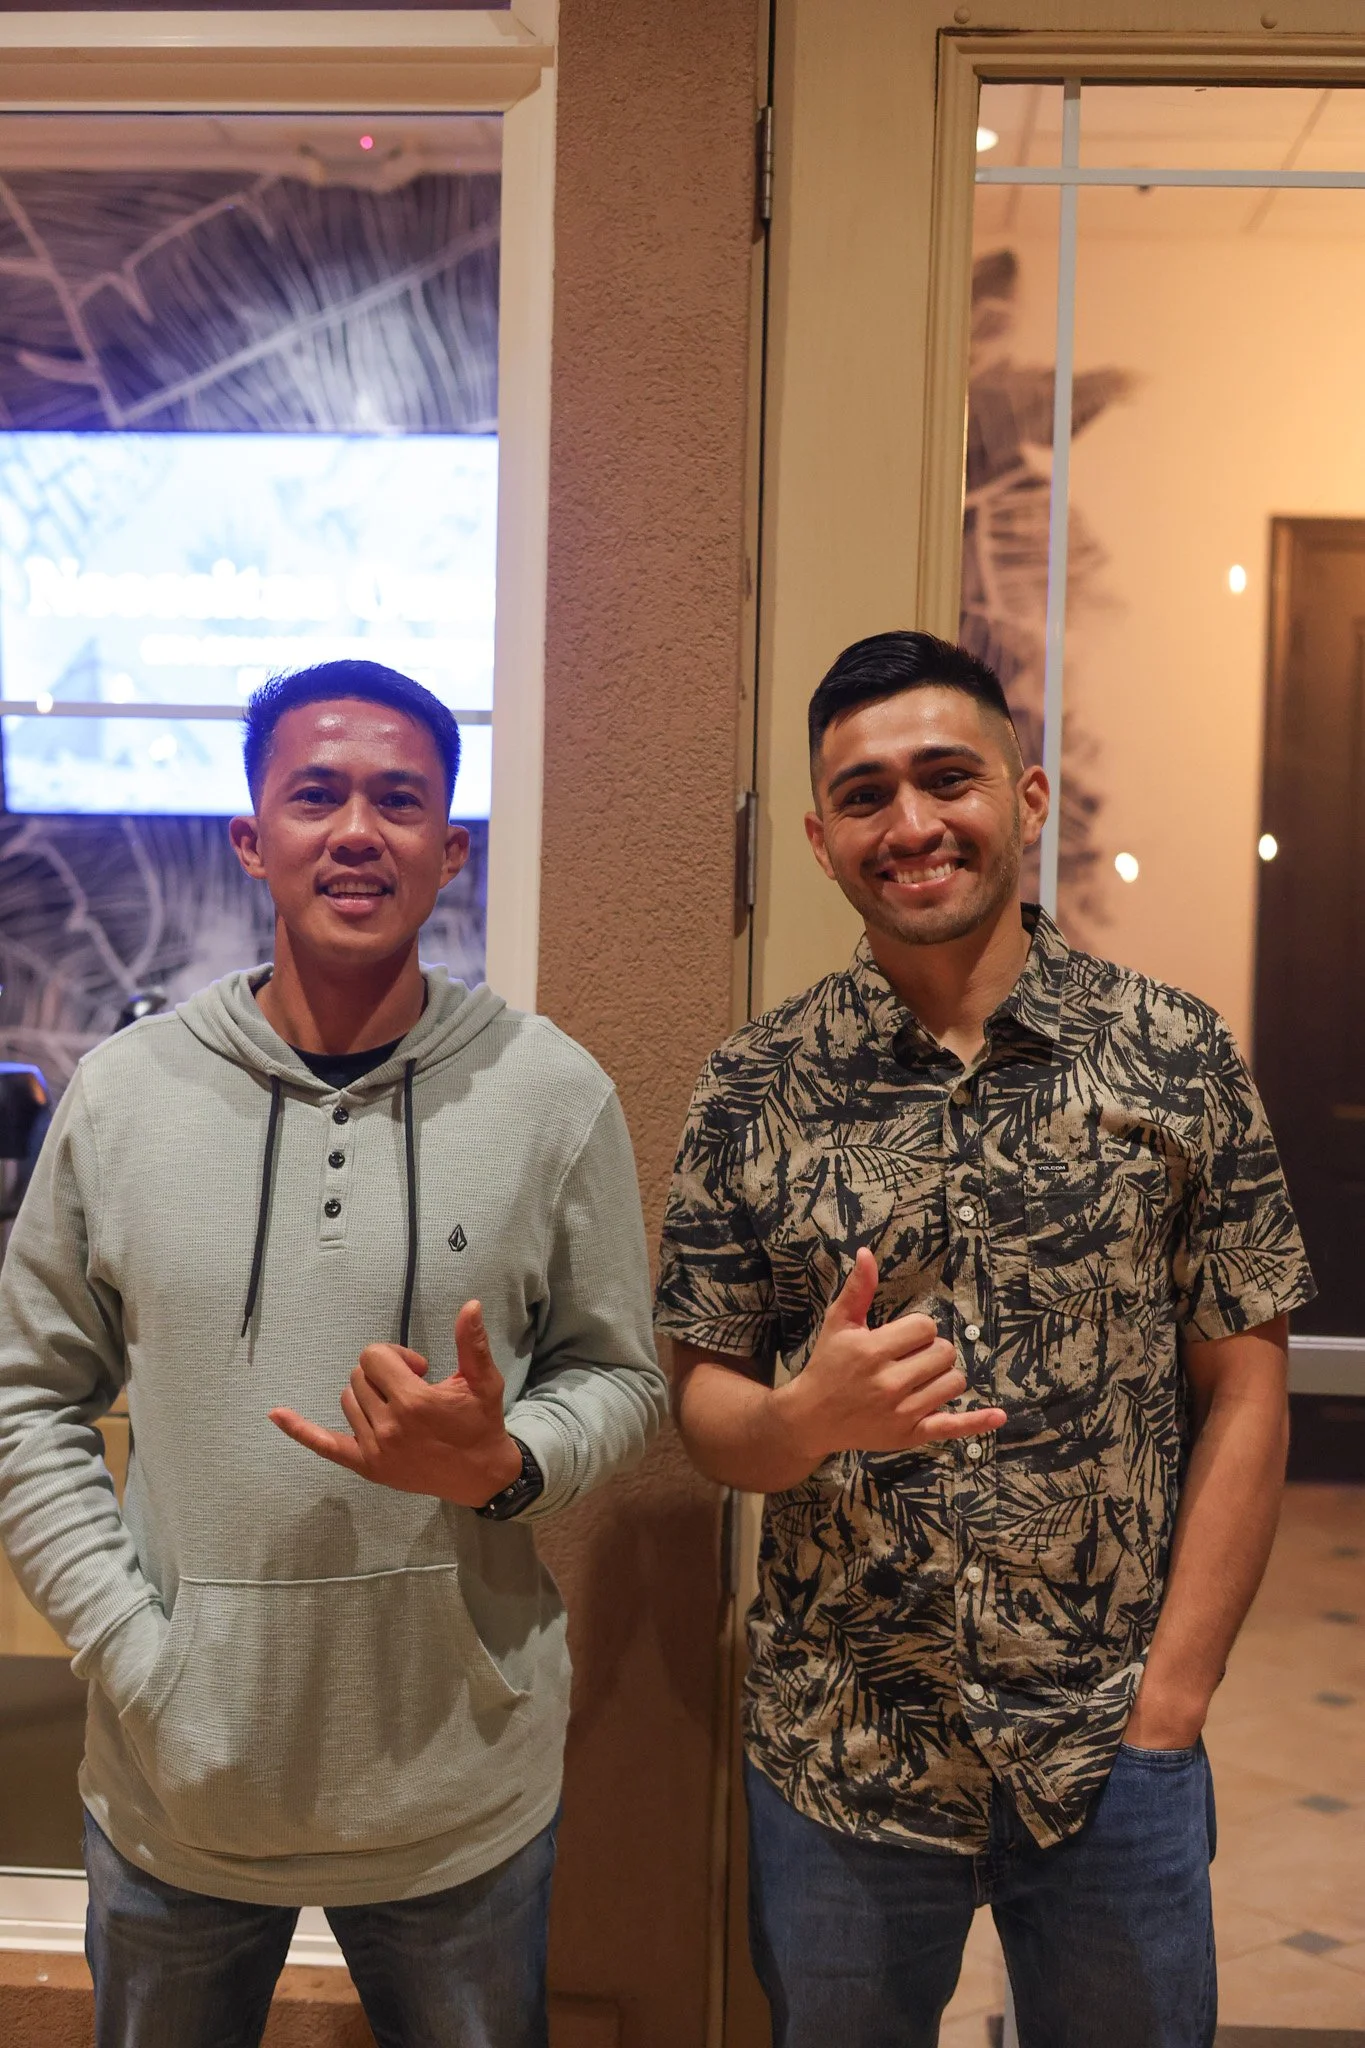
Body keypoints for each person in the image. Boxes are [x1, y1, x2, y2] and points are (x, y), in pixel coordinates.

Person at [656, 631, 1313, 2048]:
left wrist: (1173, 1699)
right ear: (823, 839)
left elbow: (1247, 1388)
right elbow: (701, 1399)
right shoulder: (753, 1087)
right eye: (868, 794)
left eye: (945, 778)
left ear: (1024, 798)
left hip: (1111, 1745)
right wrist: (801, 1421)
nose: (913, 824)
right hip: (842, 1749)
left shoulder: (1176, 1057)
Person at [0, 658, 666, 2048]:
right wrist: (132, 1648)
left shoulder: (551, 1092)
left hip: (458, 1786)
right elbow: (29, 1401)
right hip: (180, 1776)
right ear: (253, 837)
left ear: (450, 849)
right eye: (316, 795)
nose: (356, 831)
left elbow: (619, 1376)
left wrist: (508, 1462)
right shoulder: (123, 1099)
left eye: (399, 800)